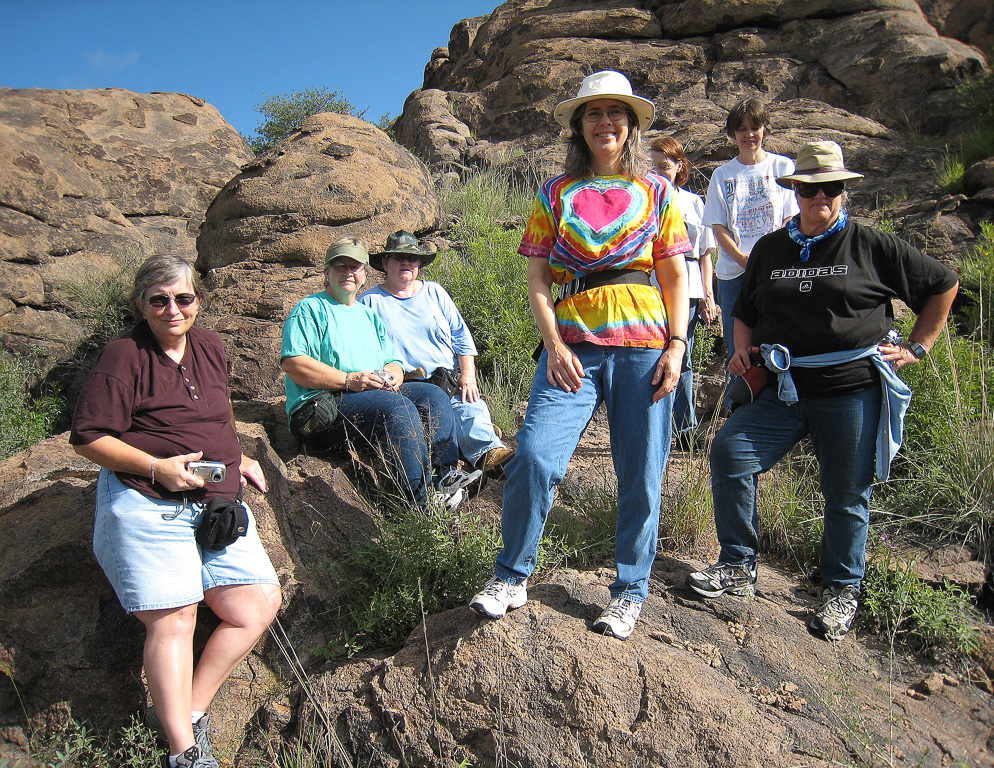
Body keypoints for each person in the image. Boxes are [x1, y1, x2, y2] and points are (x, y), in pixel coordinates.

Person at [687, 141, 959, 641]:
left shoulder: (869, 245)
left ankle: (841, 591)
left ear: (842, 192)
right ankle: (737, 567)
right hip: (783, 390)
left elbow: (943, 283)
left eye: (831, 189)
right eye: (811, 189)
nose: (821, 198)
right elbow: (745, 309)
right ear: (796, 191)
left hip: (850, 390)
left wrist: (919, 346)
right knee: (730, 451)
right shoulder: (770, 248)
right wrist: (741, 349)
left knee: (847, 491)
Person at [468, 70, 691, 640]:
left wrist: (678, 345)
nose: (605, 122)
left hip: (644, 345)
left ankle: (628, 592)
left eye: (616, 112)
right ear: (579, 126)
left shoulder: (657, 192)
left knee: (640, 474)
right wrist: (552, 342)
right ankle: (511, 576)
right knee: (536, 456)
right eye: (593, 112)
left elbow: (673, 273)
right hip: (571, 347)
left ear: (632, 124)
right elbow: (538, 275)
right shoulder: (554, 193)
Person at [70, 254, 282, 768]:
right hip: (146, 494)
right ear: (140, 304)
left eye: (183, 298)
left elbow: (218, 411)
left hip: (212, 495)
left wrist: (237, 455)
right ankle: (183, 754)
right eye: (159, 299)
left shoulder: (209, 345)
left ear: (198, 302)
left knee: (255, 605)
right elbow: (88, 438)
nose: (172, 309)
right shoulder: (124, 355)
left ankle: (189, 713)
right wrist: (156, 467)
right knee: (177, 617)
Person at [281, 239, 478, 511]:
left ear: (364, 273)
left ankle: (445, 478)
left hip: (365, 396)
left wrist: (394, 375)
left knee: (432, 395)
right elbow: (294, 364)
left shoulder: (367, 314)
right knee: (396, 407)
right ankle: (417, 503)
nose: (348, 273)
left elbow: (392, 359)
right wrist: (349, 380)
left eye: (355, 267)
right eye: (341, 266)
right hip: (321, 407)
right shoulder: (310, 309)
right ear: (327, 272)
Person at [359, 229, 515, 478]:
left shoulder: (435, 293)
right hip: (407, 387)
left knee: (469, 405)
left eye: (412, 258)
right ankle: (450, 471)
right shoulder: (369, 302)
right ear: (385, 263)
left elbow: (461, 337)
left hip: (446, 379)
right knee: (430, 423)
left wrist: (468, 375)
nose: (406, 263)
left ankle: (490, 453)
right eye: (399, 258)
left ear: (419, 264)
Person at [702, 98, 799, 410]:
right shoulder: (723, 174)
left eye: (754, 127)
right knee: (738, 350)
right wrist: (745, 259)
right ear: (732, 133)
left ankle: (783, 408)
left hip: (777, 270)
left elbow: (789, 218)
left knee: (781, 340)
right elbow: (718, 226)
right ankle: (738, 412)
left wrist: (769, 258)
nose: (748, 134)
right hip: (735, 274)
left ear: (764, 129)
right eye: (741, 128)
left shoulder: (782, 167)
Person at [650, 136, 718, 448]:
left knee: (683, 356)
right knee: (651, 354)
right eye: (654, 166)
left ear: (680, 166)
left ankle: (686, 431)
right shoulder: (645, 198)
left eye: (665, 166)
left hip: (688, 284)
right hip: (651, 282)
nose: (659, 172)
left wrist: (709, 295)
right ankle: (654, 427)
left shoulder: (694, 203)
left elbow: (705, 253)